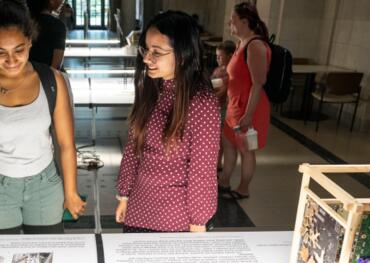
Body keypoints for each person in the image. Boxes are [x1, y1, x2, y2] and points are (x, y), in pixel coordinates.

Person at [0, 0, 85, 234]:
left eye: (19, 50)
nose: (11, 60)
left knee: (47, 257)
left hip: (44, 185)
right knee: (0, 260)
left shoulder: (52, 81)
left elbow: (67, 144)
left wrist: (70, 192)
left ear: (29, 40)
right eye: (0, 52)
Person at [115, 11, 220, 233]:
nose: (146, 59)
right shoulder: (153, 88)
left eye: (157, 52)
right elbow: (134, 147)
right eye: (146, 49)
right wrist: (124, 195)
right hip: (138, 209)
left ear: (183, 54)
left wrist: (198, 222)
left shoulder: (202, 102)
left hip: (176, 220)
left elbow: (202, 171)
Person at [219, 2, 271, 200]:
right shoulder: (242, 44)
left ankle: (243, 189)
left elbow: (258, 84)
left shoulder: (255, 45)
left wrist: (248, 116)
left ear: (244, 21)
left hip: (250, 109)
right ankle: (224, 180)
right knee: (229, 144)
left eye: (232, 20)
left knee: (246, 150)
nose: (228, 23)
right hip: (235, 106)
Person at [211, 40, 236, 177]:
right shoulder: (218, 70)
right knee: (217, 138)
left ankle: (219, 163)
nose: (218, 59)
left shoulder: (230, 72)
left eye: (220, 56)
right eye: (217, 56)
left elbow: (224, 91)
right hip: (216, 107)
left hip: (224, 108)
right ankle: (217, 162)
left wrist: (210, 98)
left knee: (222, 138)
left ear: (230, 56)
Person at [27, 0, 67, 70]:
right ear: (50, 1)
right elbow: (56, 65)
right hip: (46, 75)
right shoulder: (58, 26)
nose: (62, 1)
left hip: (28, 74)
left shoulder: (25, 22)